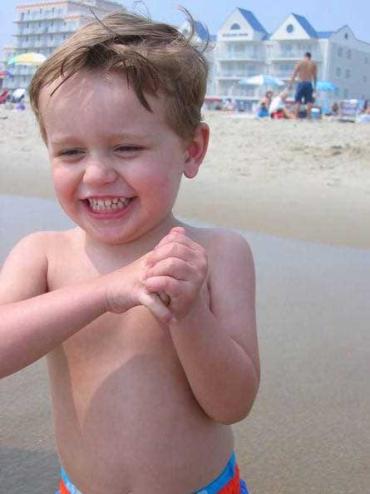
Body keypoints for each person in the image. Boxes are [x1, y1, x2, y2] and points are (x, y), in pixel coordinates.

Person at [0, 10, 259, 494]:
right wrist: (104, 292)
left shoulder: (219, 254)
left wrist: (189, 314)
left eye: (126, 148)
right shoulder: (45, 255)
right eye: (71, 152)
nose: (96, 174)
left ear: (191, 150)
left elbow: (232, 404)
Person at [288, 52, 317, 118]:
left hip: (301, 83)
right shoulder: (313, 64)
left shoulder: (300, 62)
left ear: (304, 56)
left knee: (298, 101)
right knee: (309, 101)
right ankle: (308, 116)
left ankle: (296, 116)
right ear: (310, 57)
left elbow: (294, 74)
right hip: (309, 83)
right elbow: (315, 77)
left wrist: (290, 84)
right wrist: (315, 87)